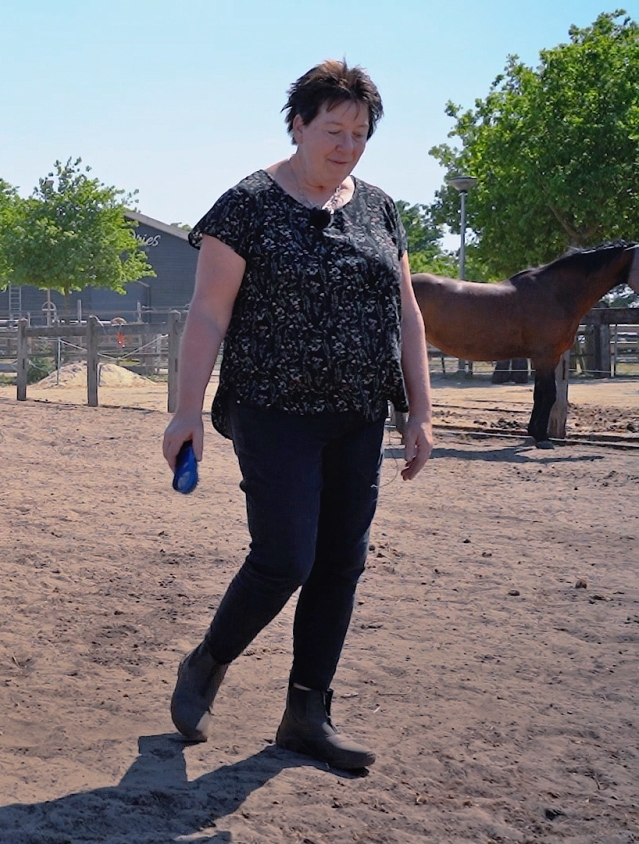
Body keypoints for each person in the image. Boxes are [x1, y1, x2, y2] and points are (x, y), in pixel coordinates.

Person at [160, 61, 434, 771]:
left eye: (360, 134)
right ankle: (207, 663)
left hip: (357, 412)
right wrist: (184, 411)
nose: (346, 146)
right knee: (286, 558)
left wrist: (421, 411)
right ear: (298, 124)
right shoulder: (246, 205)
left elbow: (406, 313)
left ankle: (307, 715)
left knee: (342, 562)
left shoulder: (379, 208)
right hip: (272, 407)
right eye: (333, 130)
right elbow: (207, 315)